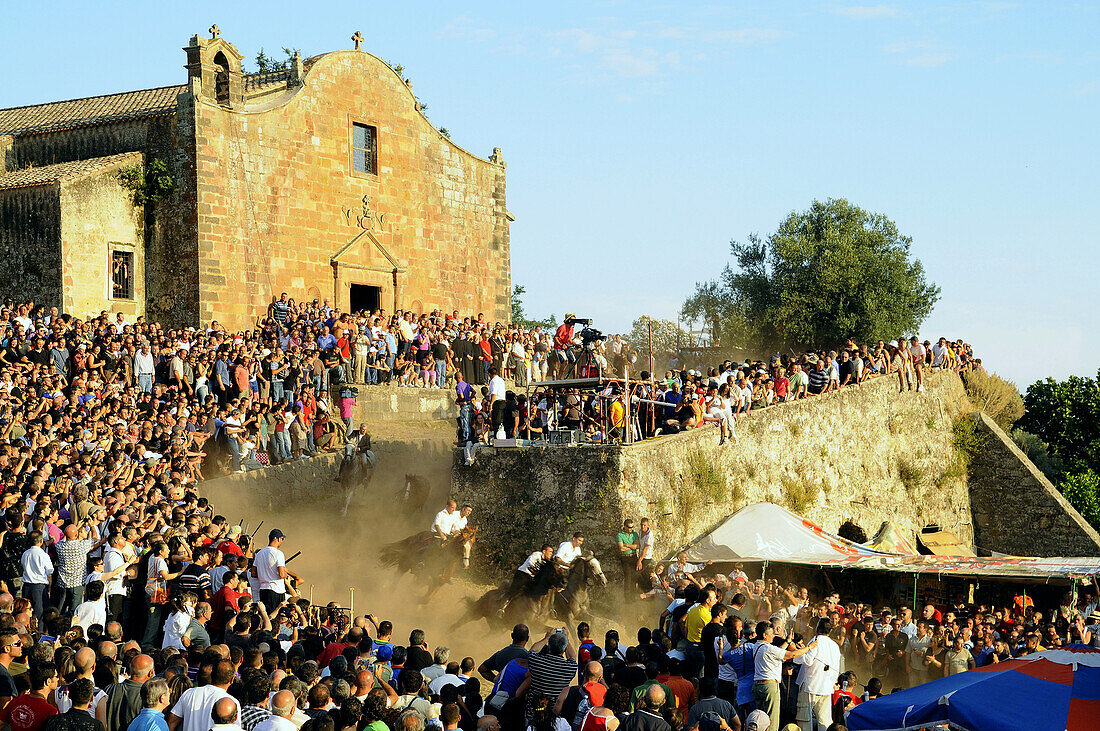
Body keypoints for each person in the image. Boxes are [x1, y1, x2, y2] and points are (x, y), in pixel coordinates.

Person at [752, 622, 816, 731]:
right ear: (764, 635)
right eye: (771, 634)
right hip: (769, 687)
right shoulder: (768, 648)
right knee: (771, 721)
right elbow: (792, 655)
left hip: (758, 685)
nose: (773, 636)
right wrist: (809, 647)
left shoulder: (758, 646)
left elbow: (779, 652)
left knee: (760, 719)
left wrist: (787, 642)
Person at [794, 619, 840, 731]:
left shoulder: (815, 641)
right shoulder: (835, 646)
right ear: (830, 630)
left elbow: (808, 660)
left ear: (817, 629)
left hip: (811, 686)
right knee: (825, 721)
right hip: (827, 687)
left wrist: (796, 653)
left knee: (804, 719)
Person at [0, 664, 59, 731]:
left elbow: (1, 724)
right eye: (56, 676)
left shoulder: (16, 701)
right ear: (48, 681)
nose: (58, 679)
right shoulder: (50, 711)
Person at [252, 530, 295, 613]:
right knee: (276, 615)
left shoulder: (260, 553)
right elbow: (282, 574)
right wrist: (285, 574)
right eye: (282, 539)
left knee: (265, 615)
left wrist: (263, 575)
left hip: (263, 590)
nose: (281, 541)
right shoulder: (278, 553)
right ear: (278, 539)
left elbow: (253, 573)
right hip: (276, 590)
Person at [616, 521, 639, 600]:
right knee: (628, 578)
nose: (631, 529)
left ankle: (633, 597)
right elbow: (621, 549)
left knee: (634, 578)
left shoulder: (634, 534)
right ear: (625, 526)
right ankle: (628, 599)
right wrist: (632, 547)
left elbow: (637, 546)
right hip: (625, 558)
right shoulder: (620, 535)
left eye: (632, 527)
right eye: (629, 527)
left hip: (633, 557)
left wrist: (627, 545)